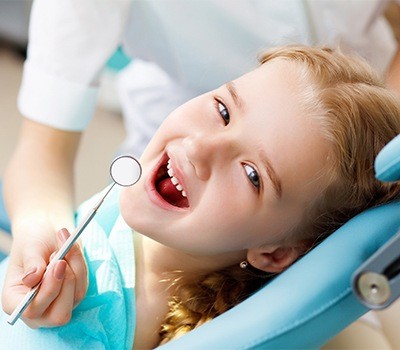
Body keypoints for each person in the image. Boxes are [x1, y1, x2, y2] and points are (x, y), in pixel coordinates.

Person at [3, 0, 400, 329]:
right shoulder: (117, 214)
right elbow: (43, 150)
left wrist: (376, 131)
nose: (201, 148)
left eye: (252, 176)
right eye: (223, 111)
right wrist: (36, 233)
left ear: (277, 254)